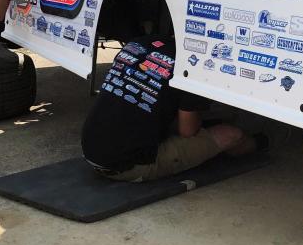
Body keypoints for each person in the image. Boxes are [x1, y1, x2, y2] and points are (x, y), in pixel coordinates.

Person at [82, 37, 261, 181]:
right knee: (231, 134)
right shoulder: (192, 67)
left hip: (91, 151)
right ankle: (262, 144)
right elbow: (188, 131)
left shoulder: (137, 44)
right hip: (127, 166)